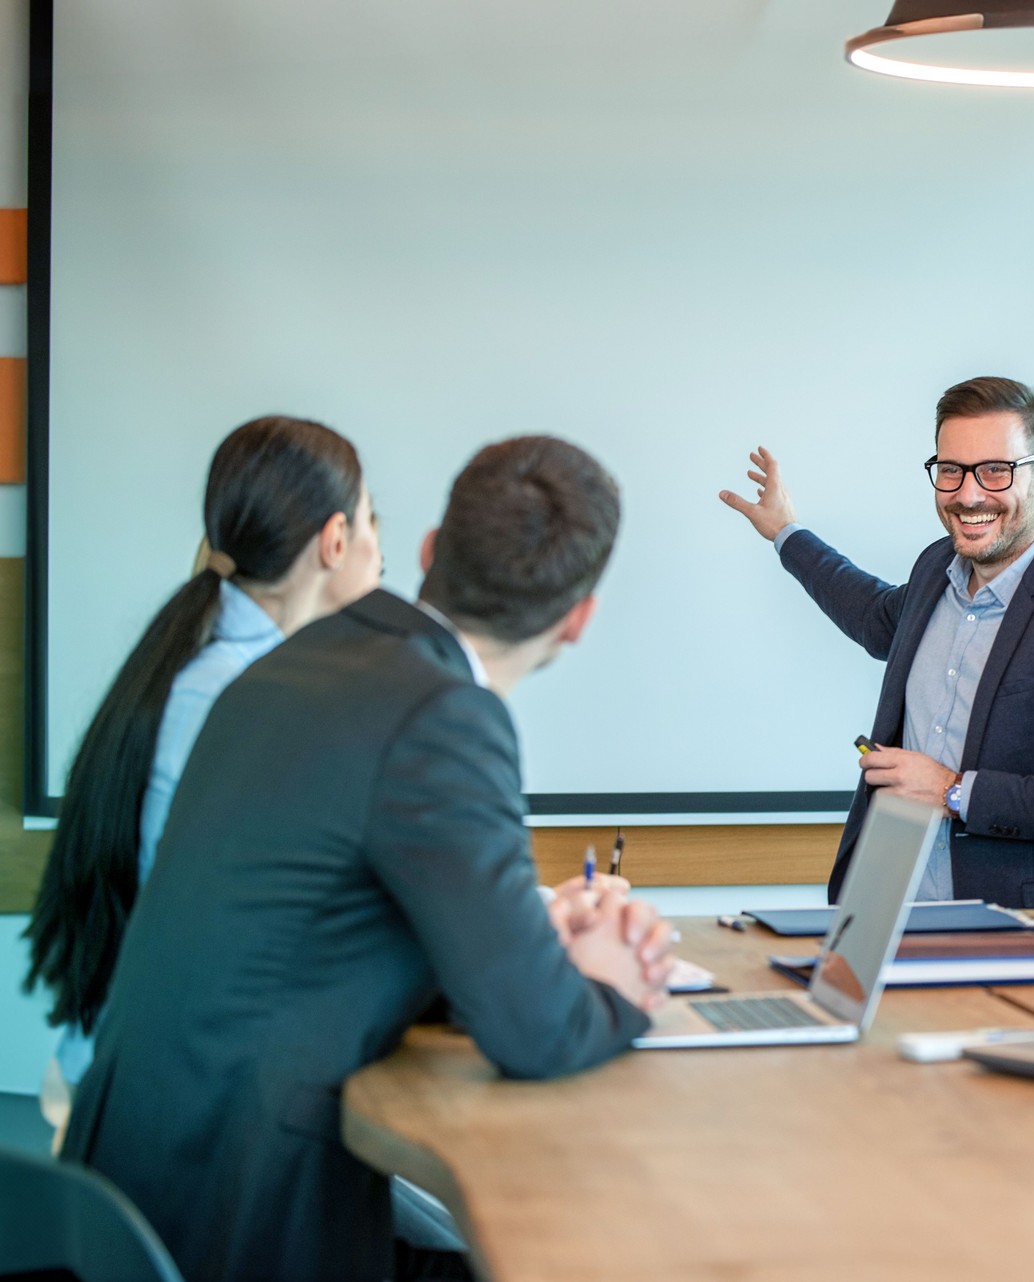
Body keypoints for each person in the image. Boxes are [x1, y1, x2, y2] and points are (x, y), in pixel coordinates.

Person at [60, 436, 676, 1282]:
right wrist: (614, 984)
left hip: (135, 1187)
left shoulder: (299, 658)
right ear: (579, 619)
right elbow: (537, 1033)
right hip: (242, 1213)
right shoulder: (445, 714)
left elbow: (331, 920)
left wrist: (525, 935)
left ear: (429, 549)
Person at [25, 415, 383, 1143]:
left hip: (128, 1079)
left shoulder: (204, 665)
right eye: (373, 520)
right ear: (336, 540)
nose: (382, 546)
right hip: (176, 1113)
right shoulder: (254, 697)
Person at [720, 375, 1034, 908]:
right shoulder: (936, 568)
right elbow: (873, 615)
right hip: (893, 915)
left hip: (1030, 933)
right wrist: (787, 533)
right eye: (951, 470)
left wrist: (954, 791)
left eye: (995, 470)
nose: (968, 495)